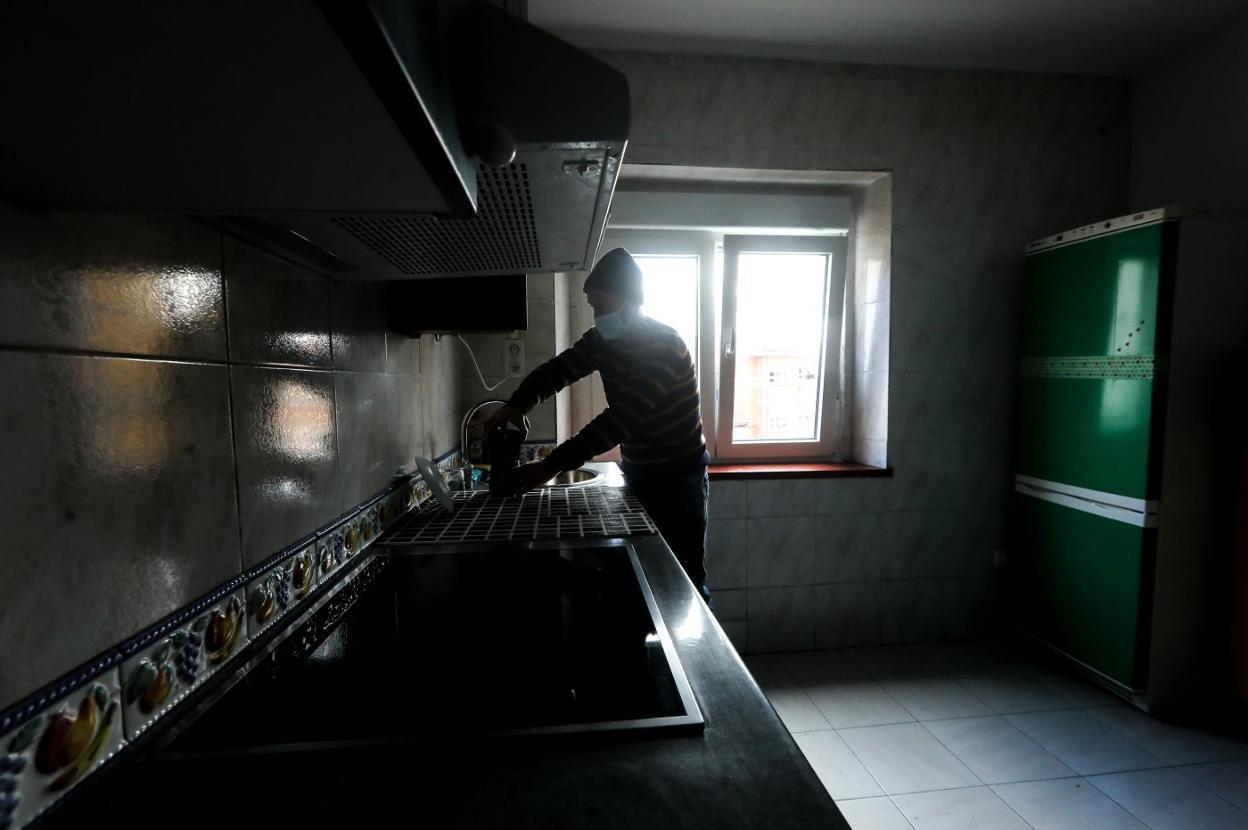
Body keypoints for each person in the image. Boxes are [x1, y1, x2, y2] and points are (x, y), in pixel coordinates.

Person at [486, 248, 712, 602]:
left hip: (679, 481)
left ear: (630, 302)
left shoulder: (664, 347)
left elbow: (622, 419)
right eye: (593, 309)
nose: (598, 317)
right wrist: (517, 404)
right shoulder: (602, 341)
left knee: (684, 582)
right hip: (639, 473)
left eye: (602, 308)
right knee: (639, 578)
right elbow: (557, 371)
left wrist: (548, 466)